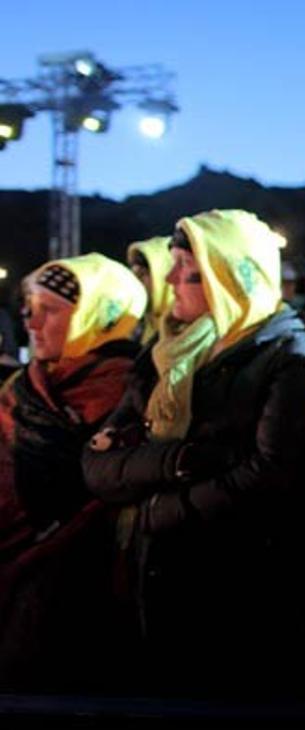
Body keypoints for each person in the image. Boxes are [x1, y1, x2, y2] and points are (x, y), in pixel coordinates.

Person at [82, 209, 305, 700]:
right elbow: (96, 464)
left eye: (187, 269)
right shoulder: (165, 355)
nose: (171, 279)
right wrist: (177, 461)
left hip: (239, 600)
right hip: (151, 589)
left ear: (229, 277)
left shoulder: (293, 356)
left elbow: (271, 477)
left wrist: (159, 508)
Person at [0, 253, 146, 691]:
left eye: (51, 310)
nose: (32, 322)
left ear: (97, 317)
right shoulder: (19, 391)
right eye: (31, 308)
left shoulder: (132, 394)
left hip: (82, 591)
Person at [126, 236, 173, 344]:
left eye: (142, 275)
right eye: (133, 275)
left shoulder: (187, 333)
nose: (135, 283)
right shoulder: (136, 327)